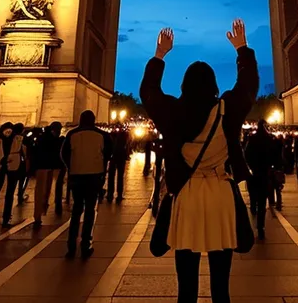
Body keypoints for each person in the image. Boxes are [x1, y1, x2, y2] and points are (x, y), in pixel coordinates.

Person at [140, 20, 258, 303]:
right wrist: (242, 49)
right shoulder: (227, 109)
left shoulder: (172, 111)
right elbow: (249, 85)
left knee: (187, 288)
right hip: (221, 196)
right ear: (214, 84)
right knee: (221, 287)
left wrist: (159, 55)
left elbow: (149, 94)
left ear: (184, 84)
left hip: (187, 195)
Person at [61, 110, 112, 258]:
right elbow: (109, 153)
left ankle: (71, 246)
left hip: (77, 175)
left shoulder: (71, 134)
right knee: (90, 211)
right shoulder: (102, 135)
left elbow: (64, 154)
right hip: (94, 175)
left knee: (76, 211)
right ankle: (85, 244)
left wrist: (71, 167)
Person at [245, 120, 281, 239]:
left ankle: (253, 208)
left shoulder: (252, 139)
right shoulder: (269, 140)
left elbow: (247, 154)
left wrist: (250, 166)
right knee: (262, 202)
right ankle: (261, 226)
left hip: (255, 172)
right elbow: (275, 156)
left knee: (253, 195)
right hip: (265, 173)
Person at [33, 121, 63, 228]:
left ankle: (39, 214)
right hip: (47, 166)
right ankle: (39, 214)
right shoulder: (52, 140)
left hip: (43, 166)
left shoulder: (42, 137)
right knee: (44, 191)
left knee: (42, 192)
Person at [107, 125, 130, 203]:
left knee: (113, 176)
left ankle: (112, 194)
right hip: (119, 157)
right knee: (118, 176)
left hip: (115, 157)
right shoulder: (122, 135)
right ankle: (116, 194)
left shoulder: (113, 135)